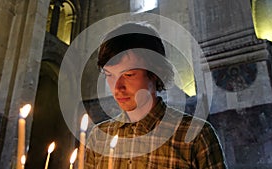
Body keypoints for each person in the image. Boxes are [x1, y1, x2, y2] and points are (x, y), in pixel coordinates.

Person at [84, 22, 227, 169]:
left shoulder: (196, 136)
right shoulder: (98, 138)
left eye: (129, 74)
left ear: (155, 72)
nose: (117, 87)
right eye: (109, 75)